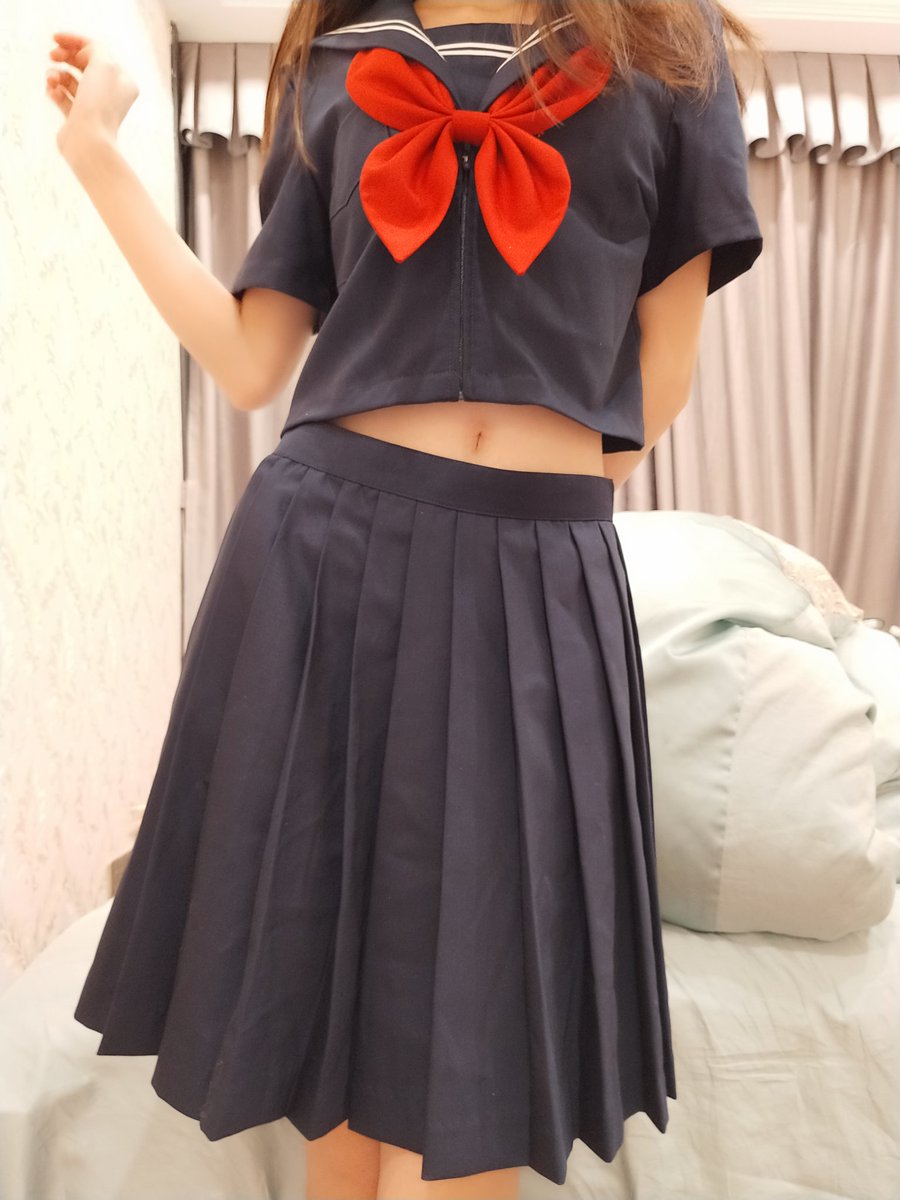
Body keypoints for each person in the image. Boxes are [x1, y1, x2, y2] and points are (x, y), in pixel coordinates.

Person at [45, 0, 763, 1196]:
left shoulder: (669, 51)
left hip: (538, 570)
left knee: (484, 1050)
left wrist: (519, 525)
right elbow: (251, 359)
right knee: (331, 1029)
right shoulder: (336, 61)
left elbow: (664, 375)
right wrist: (99, 157)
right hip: (326, 558)